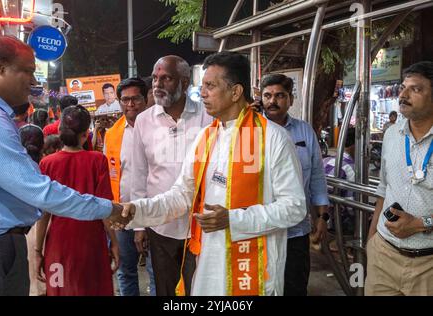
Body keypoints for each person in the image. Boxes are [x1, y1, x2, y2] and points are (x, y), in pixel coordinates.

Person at [122, 51, 306, 296]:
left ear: (235, 92)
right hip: (209, 267)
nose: (203, 93)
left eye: (210, 86)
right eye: (203, 86)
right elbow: (181, 196)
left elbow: (295, 207)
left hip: (253, 272)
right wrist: (136, 211)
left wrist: (233, 219)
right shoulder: (206, 137)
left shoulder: (273, 138)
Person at [0, 35, 129, 296]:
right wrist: (109, 209)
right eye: (27, 71)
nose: (33, 81)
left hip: (31, 242)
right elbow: (40, 192)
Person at [130, 55, 213, 296]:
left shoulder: (206, 118)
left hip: (200, 225)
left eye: (166, 78)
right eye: (155, 78)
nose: (157, 84)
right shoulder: (144, 121)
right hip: (161, 225)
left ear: (184, 83)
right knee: (166, 290)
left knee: (200, 289)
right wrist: (139, 225)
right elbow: (139, 174)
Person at [36, 105, 119, 296]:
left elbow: (44, 214)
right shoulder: (98, 161)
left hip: (59, 243)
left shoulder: (47, 163)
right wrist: (114, 243)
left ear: (59, 131)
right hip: (92, 242)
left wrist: (37, 250)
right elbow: (105, 208)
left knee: (61, 290)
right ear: (85, 134)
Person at [366, 61, 433, 296]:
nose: (402, 95)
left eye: (415, 89)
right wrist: (371, 240)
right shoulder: (393, 134)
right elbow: (384, 188)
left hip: (428, 266)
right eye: (403, 87)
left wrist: (420, 224)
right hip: (383, 257)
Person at [260, 74, 329, 296]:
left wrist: (322, 217)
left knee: (295, 287)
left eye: (280, 95)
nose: (273, 101)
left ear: (291, 99)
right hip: (260, 229)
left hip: (296, 231)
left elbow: (317, 176)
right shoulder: (251, 131)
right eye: (267, 95)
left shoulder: (304, 131)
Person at [104, 77, 149, 296]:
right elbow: (108, 174)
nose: (130, 104)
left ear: (146, 98)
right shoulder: (112, 133)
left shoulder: (159, 128)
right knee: (125, 271)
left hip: (155, 212)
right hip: (122, 214)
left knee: (157, 271)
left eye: (135, 99)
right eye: (125, 100)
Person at [18, 124, 47, 296]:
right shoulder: (47, 168)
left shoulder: (12, 170)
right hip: (47, 234)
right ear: (43, 146)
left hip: (20, 234)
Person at [323, 127, 356, 235]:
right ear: (355, 146)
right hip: (335, 221)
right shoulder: (351, 168)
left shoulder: (326, 160)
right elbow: (351, 207)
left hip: (319, 216)